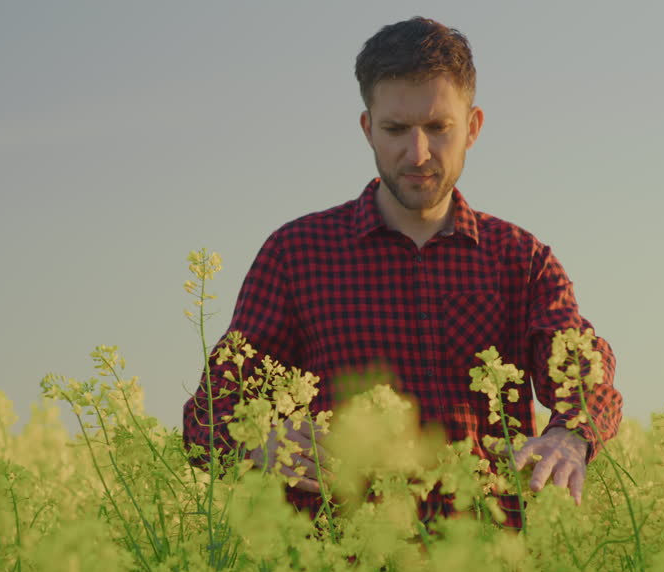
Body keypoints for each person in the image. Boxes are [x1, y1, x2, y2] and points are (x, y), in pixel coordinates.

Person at [182, 17, 622, 529]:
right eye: (395, 130)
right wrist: (255, 441)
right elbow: (207, 415)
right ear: (368, 128)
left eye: (439, 128)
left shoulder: (521, 260)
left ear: (473, 127)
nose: (418, 154)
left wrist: (571, 434)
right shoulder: (297, 255)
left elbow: (582, 371)